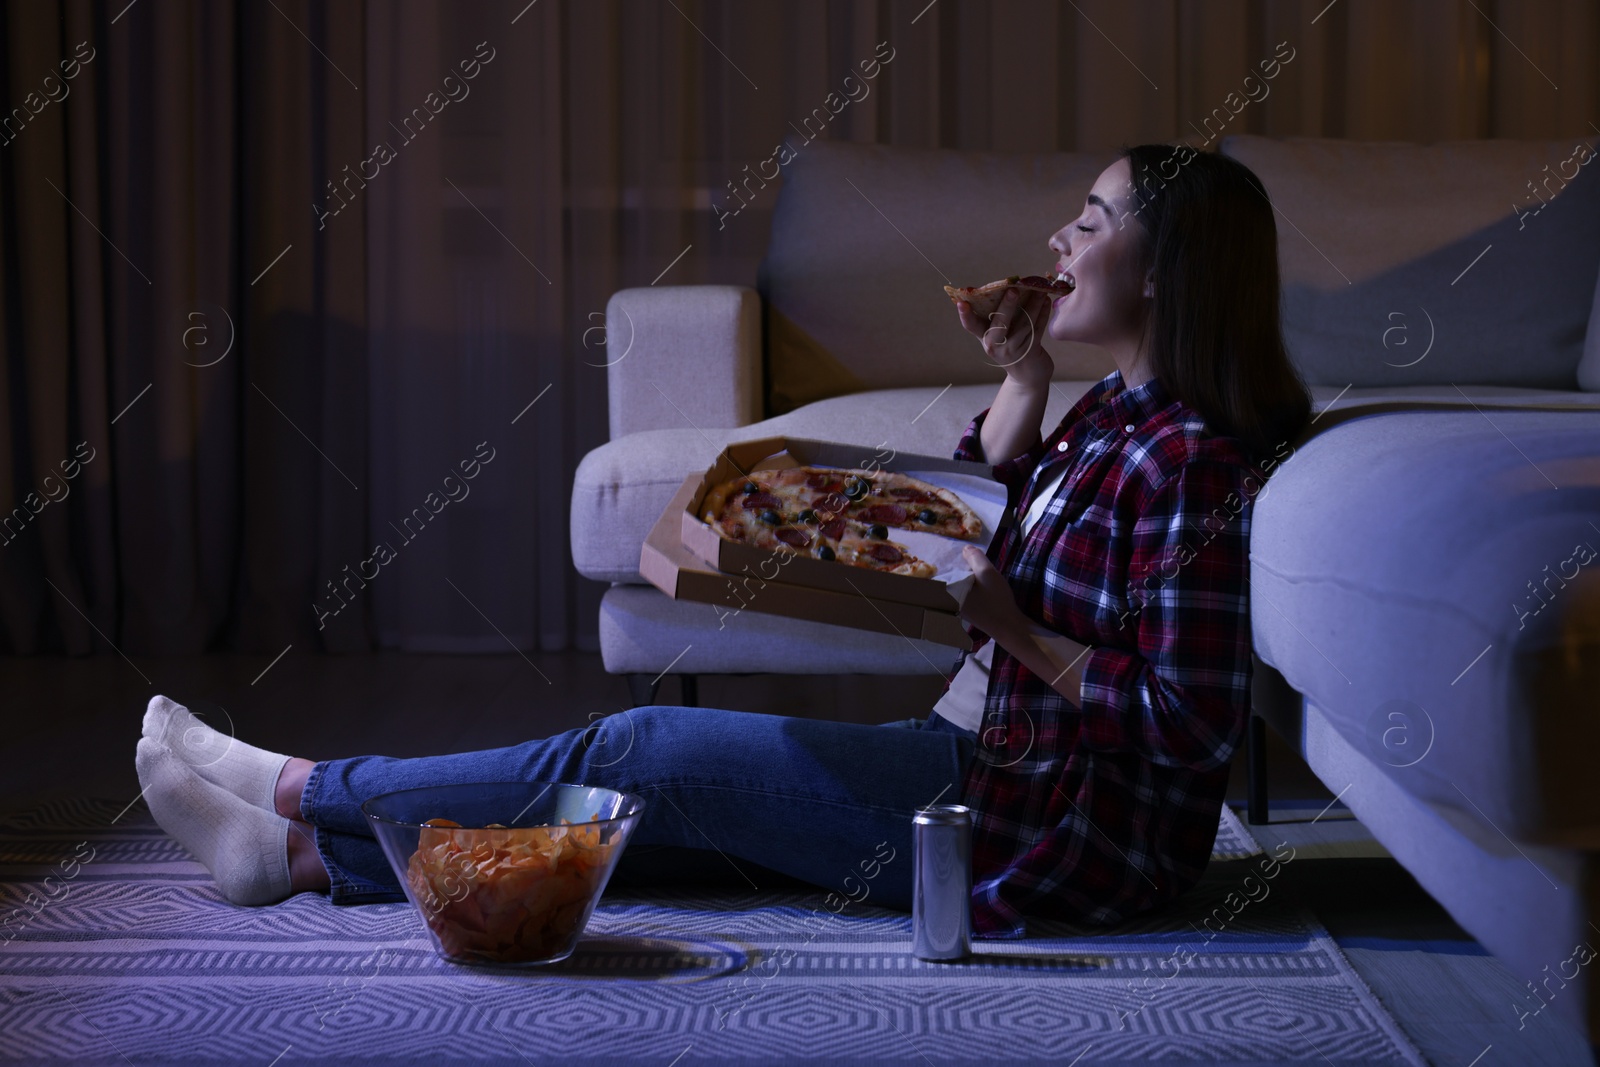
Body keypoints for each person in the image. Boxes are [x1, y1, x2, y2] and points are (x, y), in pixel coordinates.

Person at [134, 143, 1311, 939]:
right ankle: (294, 859)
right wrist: (1022, 376)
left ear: (1162, 271)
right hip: (970, 759)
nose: (1058, 235)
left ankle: (300, 782)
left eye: (1091, 219)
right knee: (658, 815)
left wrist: (1014, 628)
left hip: (1033, 825)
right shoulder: (1112, 414)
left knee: (641, 742)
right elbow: (985, 505)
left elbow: (1188, 722)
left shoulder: (1187, 460)